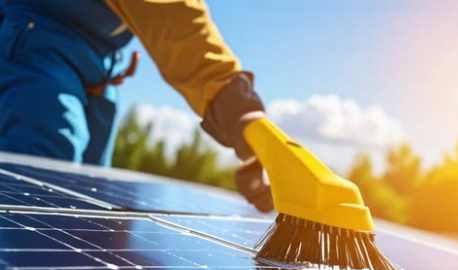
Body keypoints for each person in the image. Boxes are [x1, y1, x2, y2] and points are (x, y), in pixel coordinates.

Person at [0, 0, 273, 212]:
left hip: (100, 69)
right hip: (37, 44)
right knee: (43, 179)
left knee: (88, 192)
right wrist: (237, 107)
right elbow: (174, 18)